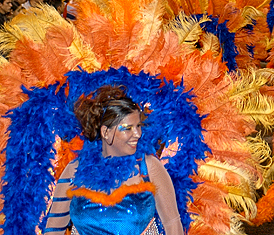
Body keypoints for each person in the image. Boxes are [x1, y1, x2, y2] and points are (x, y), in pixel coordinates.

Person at [44, 85, 183, 235]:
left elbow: (173, 225)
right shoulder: (74, 170)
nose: (137, 134)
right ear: (106, 132)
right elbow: (53, 231)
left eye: (138, 126)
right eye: (128, 128)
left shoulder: (148, 167)